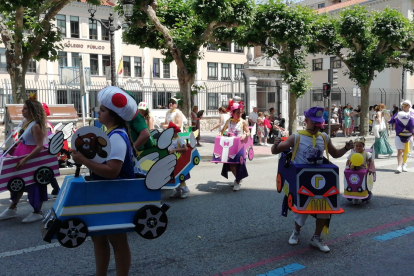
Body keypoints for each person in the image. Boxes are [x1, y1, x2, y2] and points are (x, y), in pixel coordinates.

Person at [71, 86, 136, 276]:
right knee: (98, 238)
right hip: (105, 195)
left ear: (114, 115)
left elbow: (112, 171)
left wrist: (84, 161)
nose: (98, 111)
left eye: (103, 110)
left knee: (117, 239)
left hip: (114, 196)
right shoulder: (110, 134)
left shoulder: (116, 137)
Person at [271, 106, 354, 252]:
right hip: (301, 180)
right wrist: (275, 144)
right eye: (314, 122)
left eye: (319, 122)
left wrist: (346, 148)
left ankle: (316, 237)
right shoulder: (296, 137)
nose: (317, 125)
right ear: (306, 121)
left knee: (324, 208)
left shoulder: (324, 137)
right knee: (301, 210)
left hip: (321, 180)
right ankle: (296, 231)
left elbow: (335, 154)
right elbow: (276, 151)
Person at [0, 98, 49, 223]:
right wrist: (13, 148)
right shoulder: (26, 122)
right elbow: (23, 139)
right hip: (21, 153)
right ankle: (12, 208)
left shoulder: (36, 126)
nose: (22, 111)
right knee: (16, 182)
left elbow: (39, 146)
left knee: (33, 184)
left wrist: (25, 159)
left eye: (25, 108)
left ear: (33, 110)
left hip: (32, 158)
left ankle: (37, 211)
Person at [221, 101, 250, 191]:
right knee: (230, 164)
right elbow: (222, 131)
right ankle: (238, 179)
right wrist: (221, 135)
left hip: (240, 146)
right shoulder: (228, 121)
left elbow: (248, 132)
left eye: (240, 112)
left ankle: (237, 181)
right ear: (232, 113)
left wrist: (245, 135)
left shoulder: (243, 122)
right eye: (237, 113)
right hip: (229, 146)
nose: (239, 114)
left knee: (237, 164)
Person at [389, 100, 414, 173]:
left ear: (409, 106)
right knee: (400, 151)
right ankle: (399, 166)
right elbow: (391, 120)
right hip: (399, 135)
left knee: (406, 151)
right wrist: (387, 117)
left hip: (409, 136)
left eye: (405, 105)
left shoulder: (412, 113)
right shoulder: (398, 113)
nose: (404, 106)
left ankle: (404, 164)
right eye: (403, 105)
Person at [346, 137, 373, 204]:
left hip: (363, 170)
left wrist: (370, 168)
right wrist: (347, 167)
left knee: (363, 183)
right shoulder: (352, 154)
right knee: (353, 182)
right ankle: (354, 196)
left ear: (363, 146)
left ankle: (366, 193)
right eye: (357, 146)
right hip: (353, 170)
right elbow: (348, 161)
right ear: (354, 146)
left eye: (360, 146)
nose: (358, 147)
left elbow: (371, 161)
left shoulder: (366, 154)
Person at [42, 103, 61, 198]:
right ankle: (56, 189)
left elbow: (47, 139)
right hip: (48, 150)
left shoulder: (45, 124)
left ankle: (56, 189)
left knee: (45, 171)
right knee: (47, 171)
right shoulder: (45, 123)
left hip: (46, 150)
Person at [168, 122, 191, 199]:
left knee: (180, 176)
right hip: (171, 160)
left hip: (178, 160)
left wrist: (174, 150)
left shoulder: (179, 139)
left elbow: (185, 148)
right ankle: (178, 191)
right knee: (174, 176)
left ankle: (185, 190)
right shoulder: (170, 139)